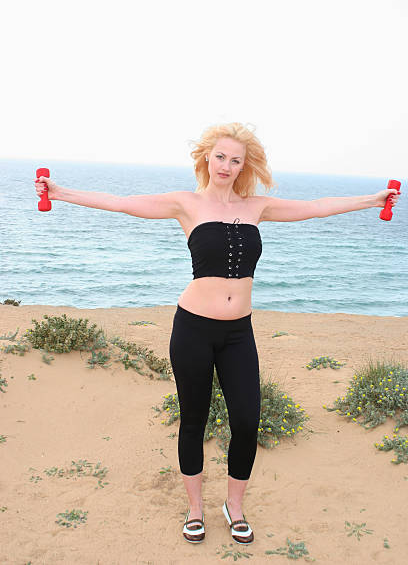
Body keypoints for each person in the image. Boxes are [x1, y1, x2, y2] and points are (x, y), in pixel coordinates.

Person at [34, 122, 400, 545]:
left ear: (245, 166)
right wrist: (60, 193)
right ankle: (195, 510)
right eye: (220, 156)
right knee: (194, 418)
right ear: (207, 158)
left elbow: (316, 207)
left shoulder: (257, 207)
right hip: (192, 328)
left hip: (238, 333)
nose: (227, 165)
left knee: (247, 420)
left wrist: (372, 200)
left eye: (236, 160)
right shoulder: (185, 204)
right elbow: (122, 203)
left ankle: (234, 506)